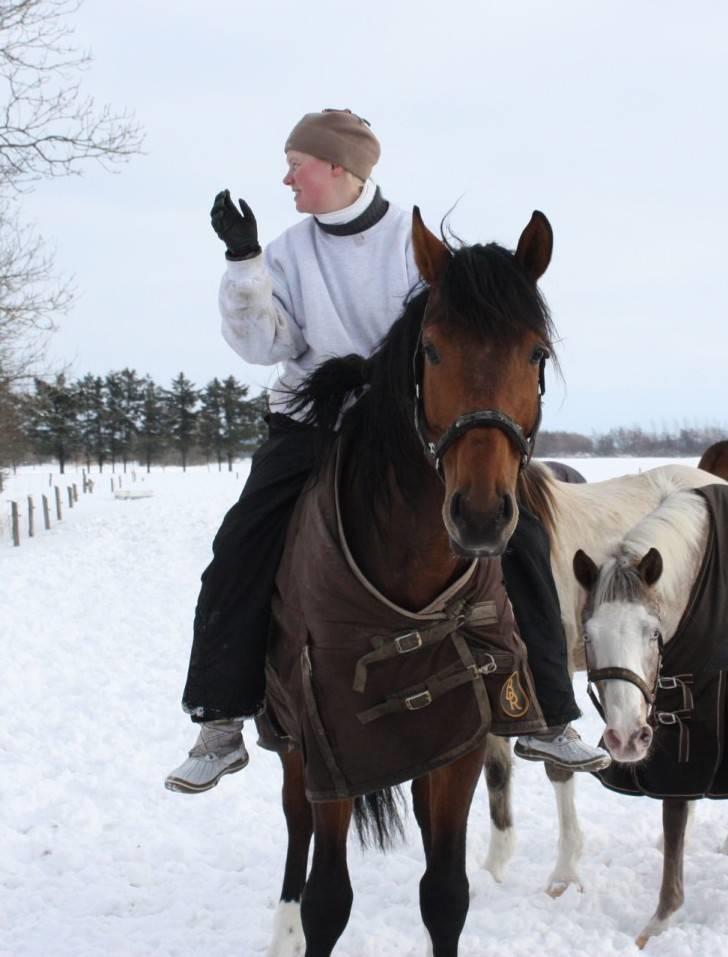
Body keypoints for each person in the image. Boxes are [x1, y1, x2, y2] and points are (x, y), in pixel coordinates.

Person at [165, 108, 609, 794]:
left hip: (405, 425)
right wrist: (244, 262)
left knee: (520, 538)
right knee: (242, 539)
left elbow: (463, 342)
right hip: (313, 419)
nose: (287, 178)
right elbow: (264, 345)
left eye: (297, 164)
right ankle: (220, 717)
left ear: (338, 168)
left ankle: (548, 712)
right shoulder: (286, 249)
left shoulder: (416, 244)